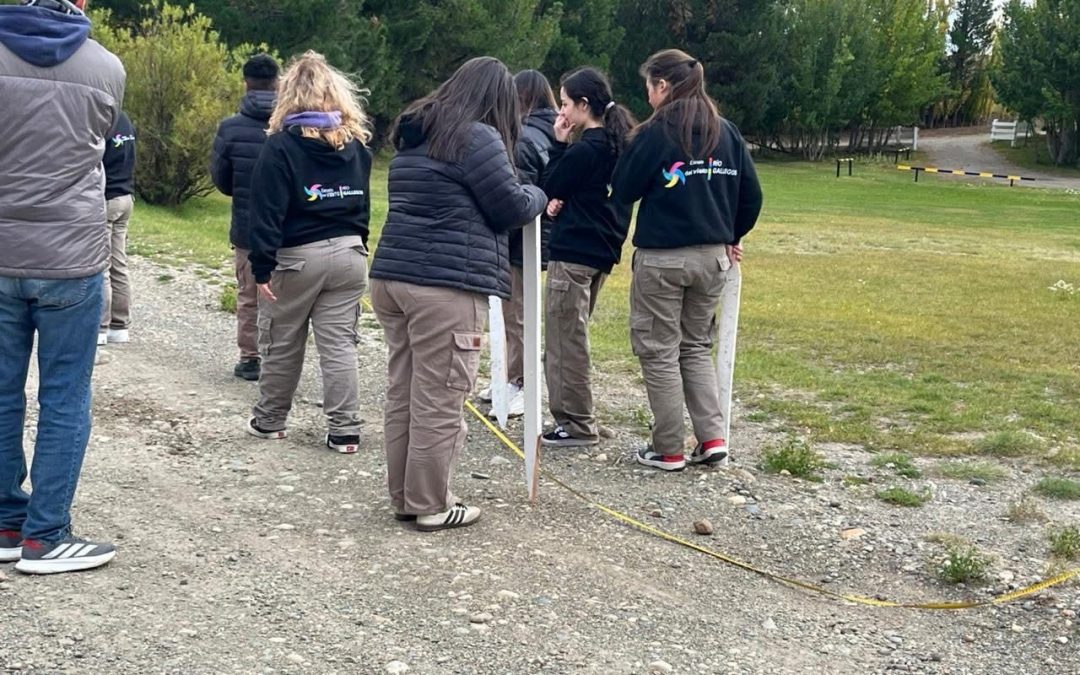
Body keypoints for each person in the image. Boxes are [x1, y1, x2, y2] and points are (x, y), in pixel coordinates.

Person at [369, 57, 546, 531]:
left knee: (405, 390)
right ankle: (432, 502)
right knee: (442, 395)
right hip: (443, 286)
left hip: (392, 277)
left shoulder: (416, 134)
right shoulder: (476, 137)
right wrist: (539, 195)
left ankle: (406, 496)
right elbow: (508, 205)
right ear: (497, 100)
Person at [0, 0, 125, 574]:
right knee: (64, 396)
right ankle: (45, 535)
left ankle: (6, 521)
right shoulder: (106, 67)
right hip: (71, 254)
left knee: (2, 395)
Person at [611, 49, 763, 472]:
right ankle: (713, 438)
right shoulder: (726, 132)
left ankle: (668, 448)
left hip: (663, 259)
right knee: (695, 346)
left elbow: (623, 189)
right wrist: (732, 235)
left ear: (662, 86)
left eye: (649, 86)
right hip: (713, 259)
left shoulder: (655, 133)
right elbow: (752, 196)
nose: (648, 96)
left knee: (659, 350)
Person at [245, 51, 373, 455]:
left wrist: (261, 265)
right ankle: (345, 431)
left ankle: (270, 420)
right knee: (339, 345)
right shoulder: (355, 146)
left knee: (282, 340)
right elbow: (365, 202)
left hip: (299, 255)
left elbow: (266, 211)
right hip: (350, 253)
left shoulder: (281, 147)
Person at [539, 67, 634, 448]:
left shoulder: (586, 148)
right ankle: (583, 413)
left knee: (565, 340)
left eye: (564, 104)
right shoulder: (620, 144)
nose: (561, 112)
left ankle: (576, 423)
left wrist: (559, 143)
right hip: (602, 251)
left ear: (583, 105)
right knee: (574, 334)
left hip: (574, 251)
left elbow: (550, 186)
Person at [480, 69, 557, 419]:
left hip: (522, 241)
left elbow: (517, 197)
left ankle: (522, 383)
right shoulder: (554, 131)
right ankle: (512, 376)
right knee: (518, 313)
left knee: (517, 315)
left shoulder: (524, 138)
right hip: (548, 235)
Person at [212, 53, 280, 381]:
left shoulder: (230, 128)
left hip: (247, 225)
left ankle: (250, 357)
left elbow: (221, 180)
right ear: (278, 82)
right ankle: (280, 356)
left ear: (245, 82)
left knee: (249, 293)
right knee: (285, 296)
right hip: (287, 226)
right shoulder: (289, 125)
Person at [98, 109, 136, 347]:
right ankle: (119, 325)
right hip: (125, 196)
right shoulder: (125, 120)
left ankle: (100, 326)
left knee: (101, 264)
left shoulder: (102, 120)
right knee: (118, 263)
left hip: (106, 198)